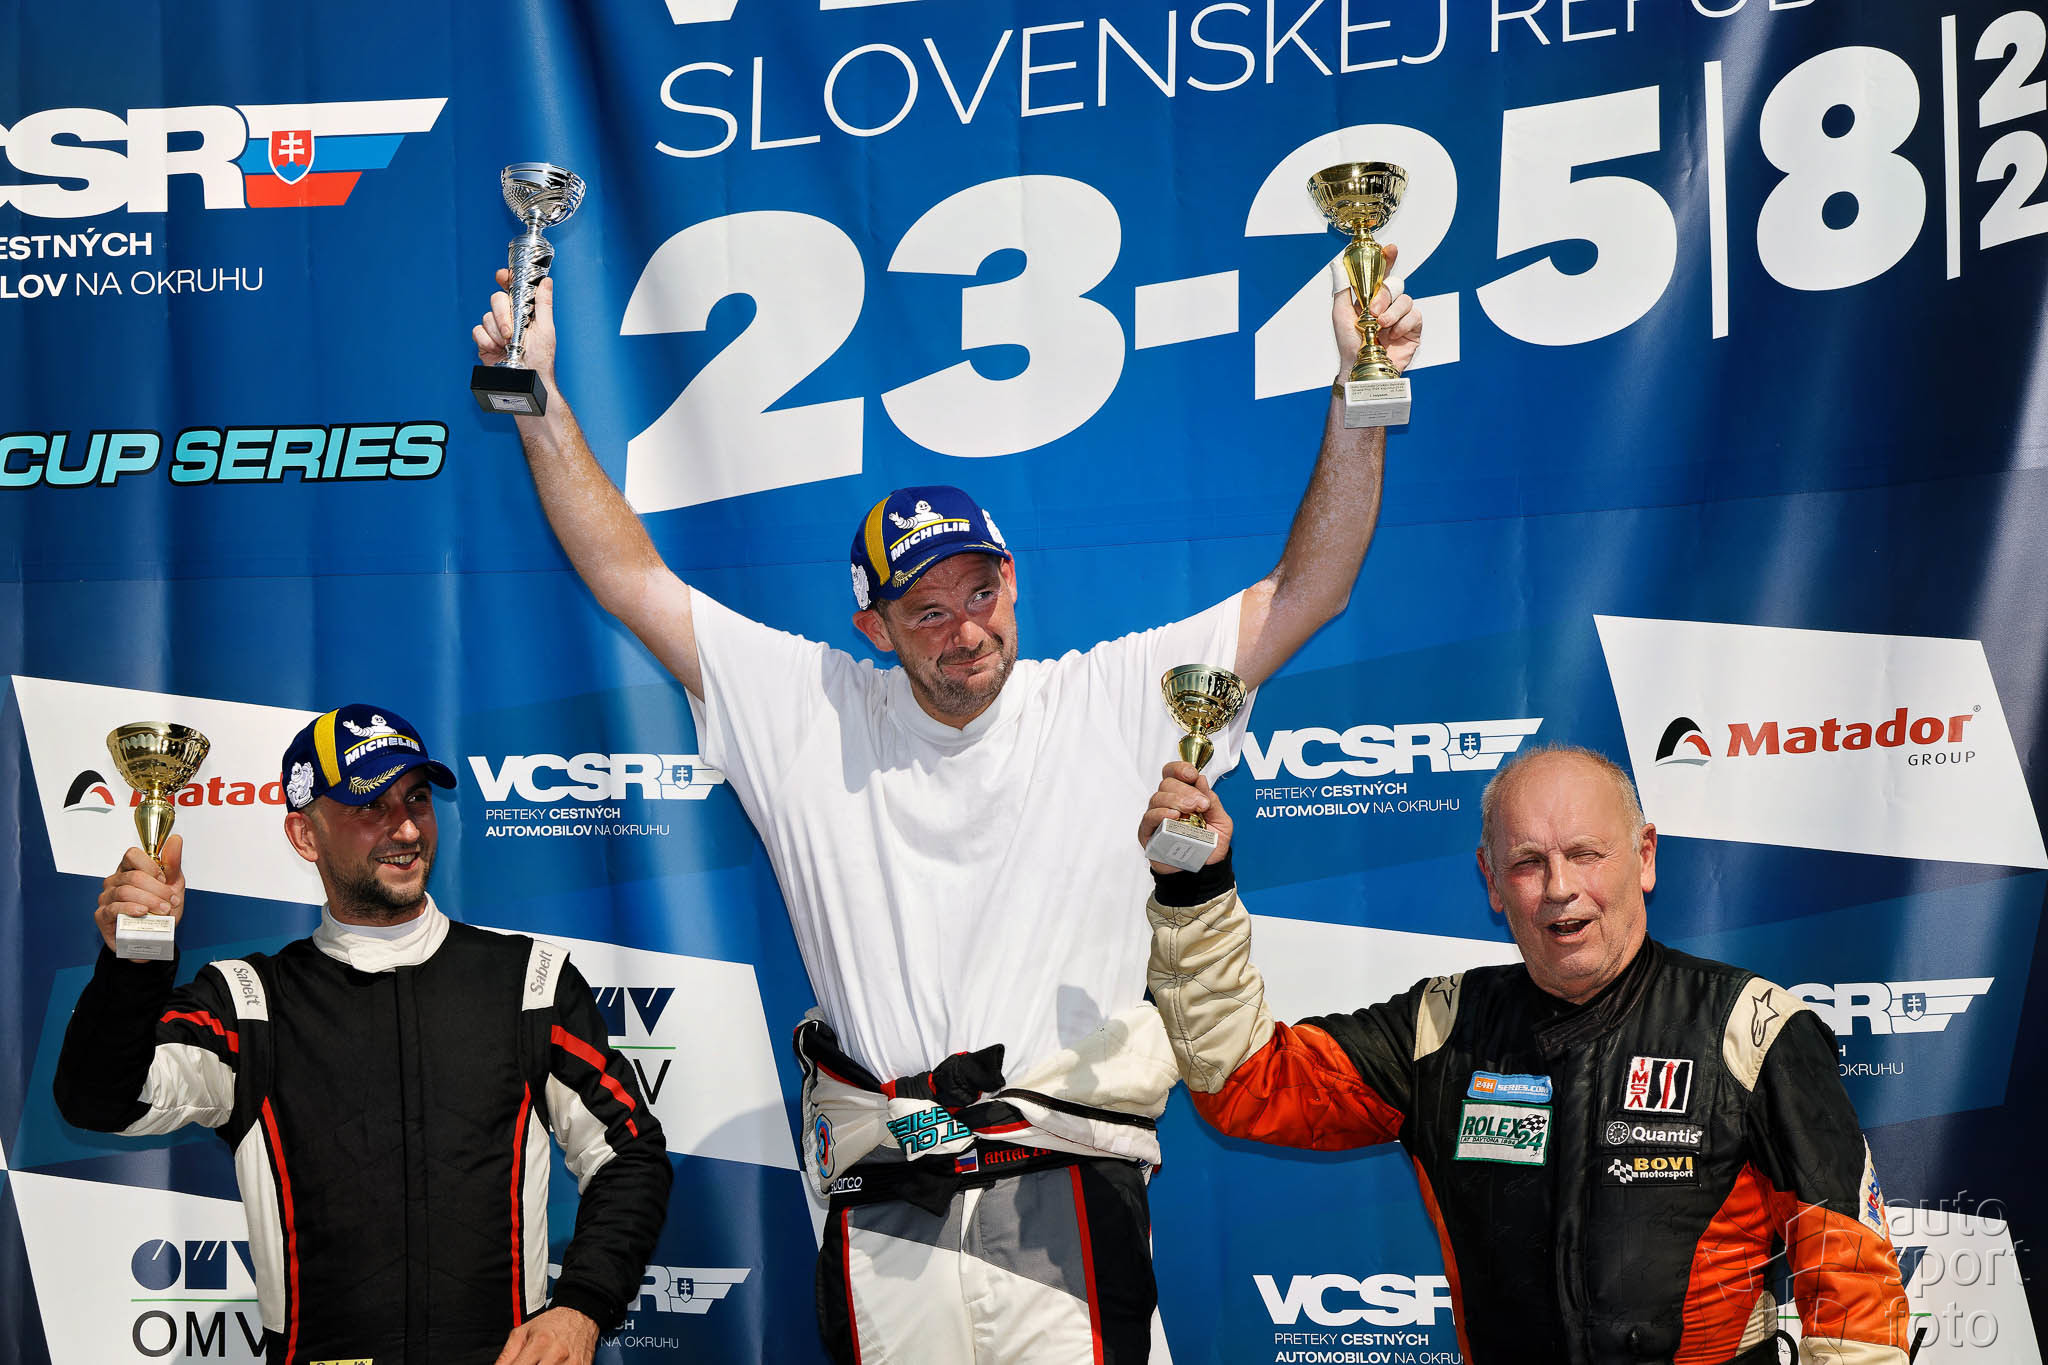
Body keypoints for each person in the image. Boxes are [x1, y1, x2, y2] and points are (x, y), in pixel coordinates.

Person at [474, 259, 1421, 1363]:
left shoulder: (1113, 697)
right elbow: (628, 576)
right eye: (926, 610)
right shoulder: (811, 709)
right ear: (874, 629)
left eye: (980, 592)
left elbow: (1311, 588)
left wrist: (1359, 387)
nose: (965, 629)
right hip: (886, 1216)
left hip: (1067, 1204)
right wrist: (538, 403)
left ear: (1013, 581)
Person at [1138, 745, 1912, 1365]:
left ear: (1645, 856)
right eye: (1528, 862)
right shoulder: (1442, 1028)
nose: (1560, 887)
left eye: (1586, 853)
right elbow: (1243, 1083)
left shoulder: (1752, 1026)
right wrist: (1194, 888)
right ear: (1491, 880)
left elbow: (1855, 1292)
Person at [54, 704, 671, 1365]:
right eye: (371, 804)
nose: (405, 826)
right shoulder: (247, 1002)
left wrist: (581, 1307)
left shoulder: (531, 981)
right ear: (305, 834)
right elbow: (99, 1099)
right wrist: (135, 958)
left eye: (417, 798)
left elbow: (629, 1153)